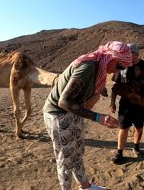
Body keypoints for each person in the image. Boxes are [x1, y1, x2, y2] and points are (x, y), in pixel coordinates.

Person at [43, 41, 133, 190]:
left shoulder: (99, 67)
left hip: (73, 112)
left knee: (77, 152)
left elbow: (98, 88)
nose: (118, 71)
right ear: (111, 58)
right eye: (120, 66)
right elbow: (64, 102)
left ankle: (85, 187)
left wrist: (96, 95)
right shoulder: (88, 66)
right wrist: (99, 118)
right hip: (58, 115)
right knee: (65, 159)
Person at [109, 43, 144, 164]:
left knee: (139, 127)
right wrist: (112, 102)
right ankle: (119, 153)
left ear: (136, 54)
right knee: (123, 127)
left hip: (141, 103)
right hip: (126, 104)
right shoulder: (122, 66)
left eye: (129, 54)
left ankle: (136, 147)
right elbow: (115, 86)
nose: (126, 56)